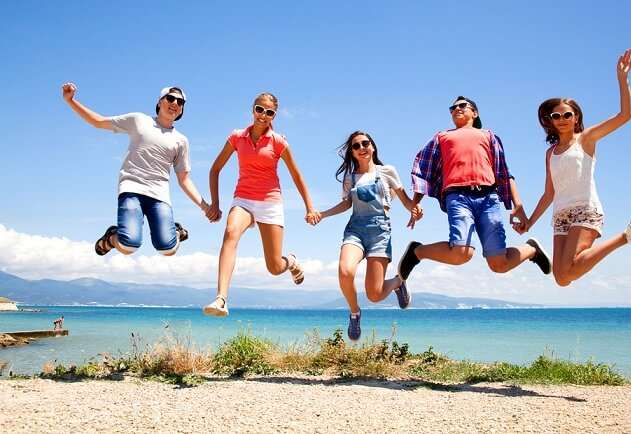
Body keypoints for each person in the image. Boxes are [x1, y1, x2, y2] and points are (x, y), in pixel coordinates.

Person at [518, 49, 631, 286]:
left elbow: (625, 115)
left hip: (585, 210)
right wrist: (530, 221)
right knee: (562, 278)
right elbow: (549, 193)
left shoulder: (586, 139)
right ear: (550, 121)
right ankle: (625, 237)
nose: (562, 118)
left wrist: (623, 79)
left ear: (576, 117)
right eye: (555, 115)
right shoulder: (550, 153)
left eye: (567, 114)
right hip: (561, 215)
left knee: (568, 270)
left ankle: (623, 237)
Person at [397, 95, 552, 284]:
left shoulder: (488, 135)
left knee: (499, 264)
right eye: (452, 108)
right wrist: (415, 203)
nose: (457, 109)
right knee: (461, 254)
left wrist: (517, 205)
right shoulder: (443, 136)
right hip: (458, 196)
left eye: (463, 105)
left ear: (475, 113)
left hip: (489, 198)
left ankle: (531, 249)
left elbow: (504, 172)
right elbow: (424, 171)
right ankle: (417, 252)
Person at [202, 93, 319, 317]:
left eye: (269, 112)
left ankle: (291, 262)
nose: (263, 115)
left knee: (274, 267)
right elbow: (215, 169)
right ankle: (221, 299)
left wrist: (310, 207)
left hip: (270, 202)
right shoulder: (237, 137)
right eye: (259, 109)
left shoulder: (278, 142)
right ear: (252, 109)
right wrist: (215, 203)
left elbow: (297, 176)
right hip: (243, 198)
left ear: (274, 115)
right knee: (230, 232)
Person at [62, 83, 211, 256]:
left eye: (180, 102)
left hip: (159, 196)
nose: (175, 103)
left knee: (168, 249)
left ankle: (175, 231)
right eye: (170, 98)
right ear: (160, 102)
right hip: (132, 188)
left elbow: (184, 180)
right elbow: (98, 122)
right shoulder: (139, 120)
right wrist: (70, 101)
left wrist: (206, 207)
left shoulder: (181, 141)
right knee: (128, 245)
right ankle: (111, 237)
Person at [309, 131, 423, 341]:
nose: (361, 147)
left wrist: (415, 209)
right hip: (356, 229)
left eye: (365, 143)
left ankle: (398, 282)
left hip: (380, 232)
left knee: (375, 295)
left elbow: (406, 200)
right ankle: (354, 313)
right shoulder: (350, 178)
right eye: (356, 146)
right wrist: (322, 215)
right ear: (352, 153)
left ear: (372, 147)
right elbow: (346, 204)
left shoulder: (387, 171)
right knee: (345, 271)